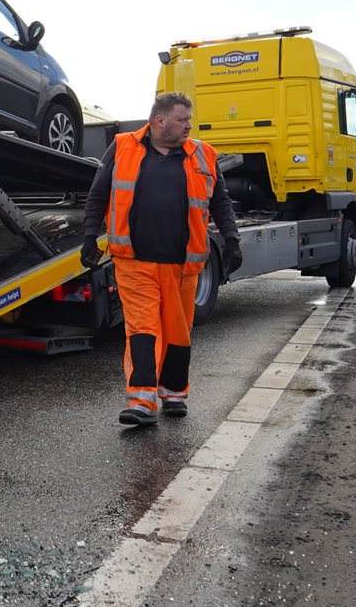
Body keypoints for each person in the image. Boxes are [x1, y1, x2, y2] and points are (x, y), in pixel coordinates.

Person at [78, 92, 241, 426]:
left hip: (183, 266)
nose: (188, 126)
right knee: (143, 329)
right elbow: (98, 193)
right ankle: (142, 400)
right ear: (159, 121)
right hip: (134, 262)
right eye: (182, 120)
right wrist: (89, 236)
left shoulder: (203, 154)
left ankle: (174, 393)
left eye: (189, 120)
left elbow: (220, 202)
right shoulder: (123, 147)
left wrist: (232, 240)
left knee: (178, 332)